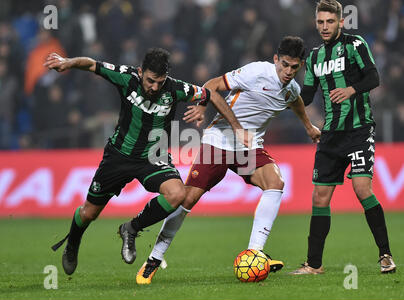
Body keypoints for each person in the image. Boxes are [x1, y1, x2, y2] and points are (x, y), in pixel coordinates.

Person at [131, 36, 322, 284]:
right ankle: (154, 260)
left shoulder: (292, 88)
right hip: (219, 140)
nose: (287, 71)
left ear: (300, 66)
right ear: (275, 59)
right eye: (284, 64)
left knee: (275, 183)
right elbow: (213, 84)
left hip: (248, 146)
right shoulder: (256, 72)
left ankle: (254, 253)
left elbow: (295, 101)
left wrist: (308, 126)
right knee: (187, 198)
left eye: (294, 67)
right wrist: (201, 105)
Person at [45, 48, 250, 275]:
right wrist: (68, 62)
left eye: (159, 82)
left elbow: (212, 95)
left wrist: (236, 129)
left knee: (177, 194)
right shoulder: (126, 76)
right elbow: (92, 64)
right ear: (141, 72)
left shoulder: (175, 88)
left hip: (154, 156)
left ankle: (131, 229)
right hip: (119, 156)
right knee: (89, 213)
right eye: (150, 81)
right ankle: (73, 243)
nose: (154, 87)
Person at [291, 0, 396, 275]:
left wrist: (351, 90)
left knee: (363, 190)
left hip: (359, 130)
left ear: (341, 22)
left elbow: (374, 78)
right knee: (319, 197)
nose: (324, 27)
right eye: (320, 22)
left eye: (329, 21)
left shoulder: (355, 44)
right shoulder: (314, 57)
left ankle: (385, 254)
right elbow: (308, 95)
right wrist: (285, 101)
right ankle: (314, 264)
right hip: (330, 135)